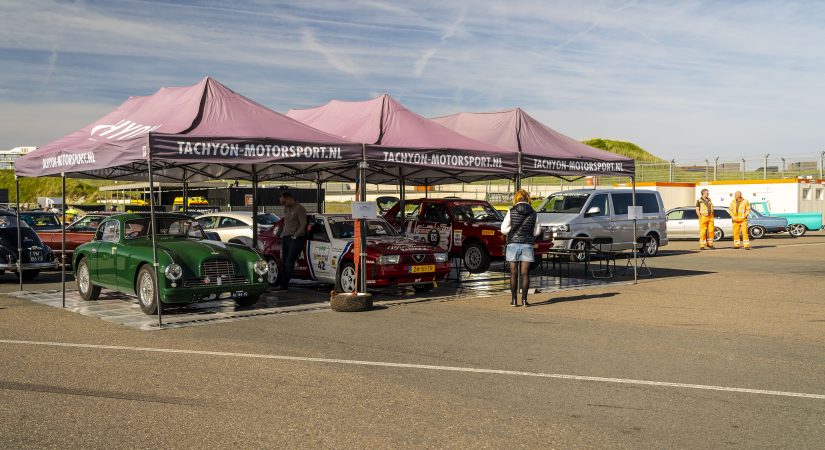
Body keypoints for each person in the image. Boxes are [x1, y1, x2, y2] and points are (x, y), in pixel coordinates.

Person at [501, 189, 542, 307]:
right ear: (527, 198)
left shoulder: (511, 211)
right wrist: (528, 233)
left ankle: (514, 300)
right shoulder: (534, 213)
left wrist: (512, 230)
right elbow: (537, 231)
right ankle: (524, 300)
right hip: (527, 244)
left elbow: (503, 230)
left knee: (513, 273)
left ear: (516, 198)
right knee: (525, 273)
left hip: (513, 244)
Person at [274, 192, 307, 291]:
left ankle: (284, 285)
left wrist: (296, 235)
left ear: (289, 199)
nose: (283, 204)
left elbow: (303, 223)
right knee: (284, 262)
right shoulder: (286, 208)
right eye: (281, 203)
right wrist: (279, 233)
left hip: (295, 238)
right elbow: (284, 222)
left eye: (283, 202)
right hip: (285, 237)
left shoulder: (299, 208)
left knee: (289, 262)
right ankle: (282, 283)